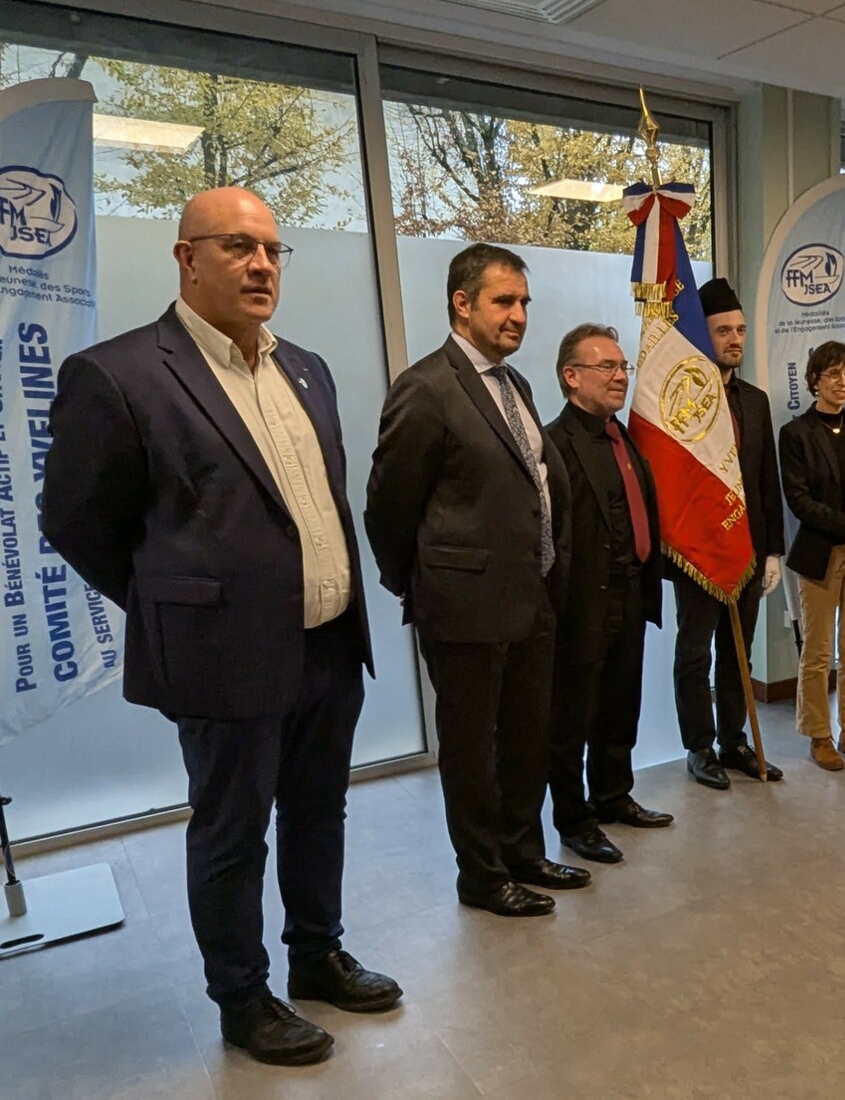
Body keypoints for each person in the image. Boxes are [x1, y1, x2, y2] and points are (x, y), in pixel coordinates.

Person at [41, 187, 399, 1067]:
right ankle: (242, 997)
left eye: (273, 250)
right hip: (223, 655)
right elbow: (77, 521)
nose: (262, 265)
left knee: (318, 811)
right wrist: (172, 604)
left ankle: (316, 953)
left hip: (327, 639)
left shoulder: (305, 368)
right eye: (238, 246)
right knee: (233, 831)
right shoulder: (119, 374)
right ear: (186, 257)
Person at [366, 243, 587, 920]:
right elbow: (389, 504)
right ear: (462, 304)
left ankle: (523, 853)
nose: (518, 315)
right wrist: (418, 582)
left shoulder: (514, 385)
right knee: (471, 751)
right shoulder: (427, 388)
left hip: (530, 598)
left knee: (526, 739)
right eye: (504, 301)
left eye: (524, 302)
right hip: (463, 606)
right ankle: (483, 877)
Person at [545, 324, 672, 864]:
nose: (621, 376)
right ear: (571, 376)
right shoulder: (554, 444)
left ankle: (613, 795)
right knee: (573, 718)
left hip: (630, 592)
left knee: (621, 705)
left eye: (623, 367)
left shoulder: (624, 437)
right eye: (607, 367)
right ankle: (574, 820)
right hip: (581, 602)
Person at [671, 278, 786, 789]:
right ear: (702, 334)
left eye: (740, 330)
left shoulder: (755, 401)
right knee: (695, 652)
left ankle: (733, 740)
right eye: (723, 331)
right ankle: (699, 746)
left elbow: (766, 479)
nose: (735, 339)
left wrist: (773, 550)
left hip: (747, 549)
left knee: (738, 651)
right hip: (697, 549)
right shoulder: (682, 401)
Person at [778, 341, 845, 771]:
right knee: (818, 652)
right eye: (834, 374)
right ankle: (818, 734)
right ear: (814, 379)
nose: (843, 383)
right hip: (820, 552)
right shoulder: (796, 433)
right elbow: (799, 501)